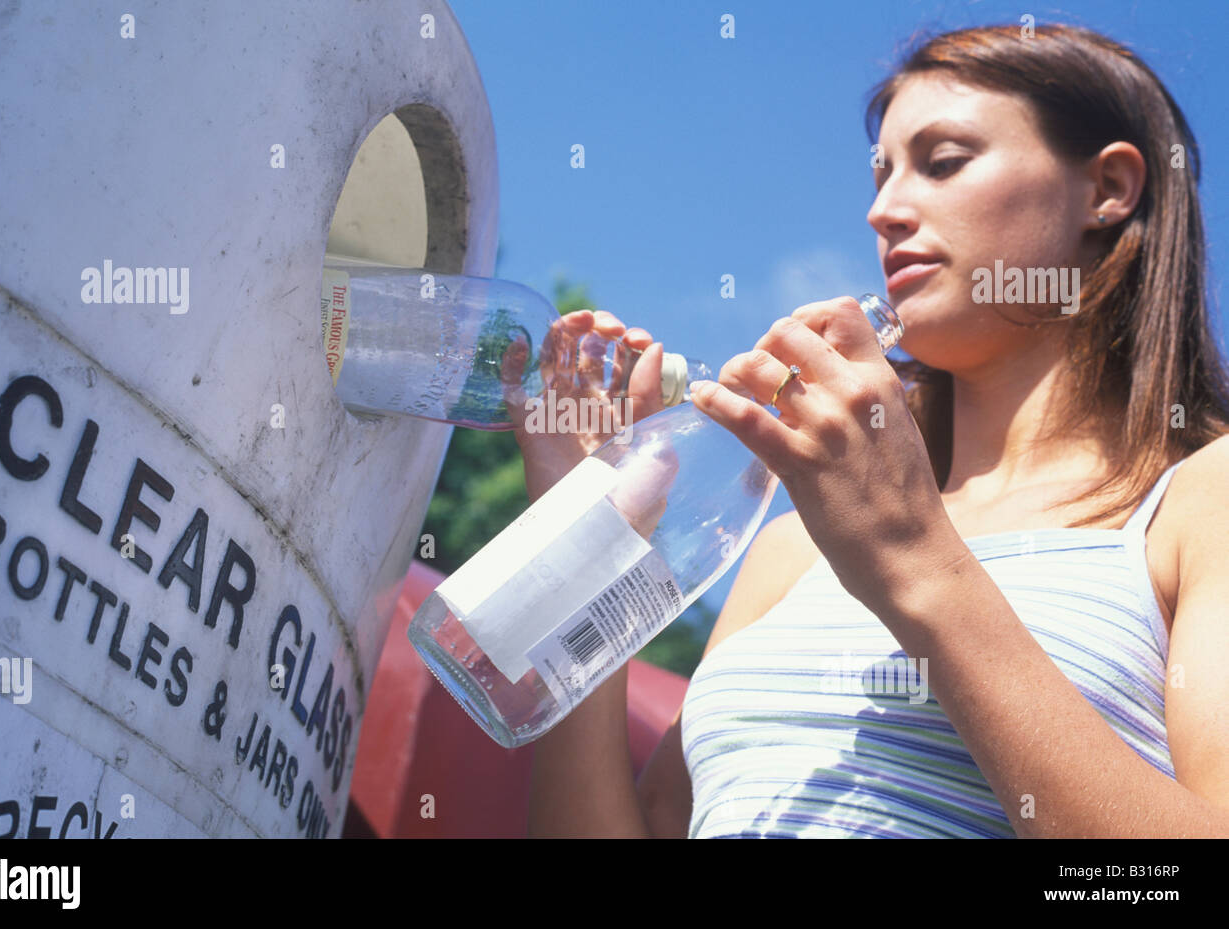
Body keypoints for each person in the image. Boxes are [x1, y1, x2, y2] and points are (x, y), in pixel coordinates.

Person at [520, 23, 1229, 838]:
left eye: (944, 162)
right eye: (882, 174)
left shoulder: (1201, 500)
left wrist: (910, 559)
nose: (884, 210)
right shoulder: (793, 546)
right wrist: (591, 547)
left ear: (1108, 187)